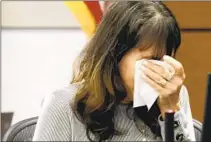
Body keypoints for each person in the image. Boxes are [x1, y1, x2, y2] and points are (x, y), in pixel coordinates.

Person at [33, 1, 196, 141]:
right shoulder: (64, 105)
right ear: (116, 55)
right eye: (149, 59)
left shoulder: (173, 96)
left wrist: (171, 112)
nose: (160, 71)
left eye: (163, 60)